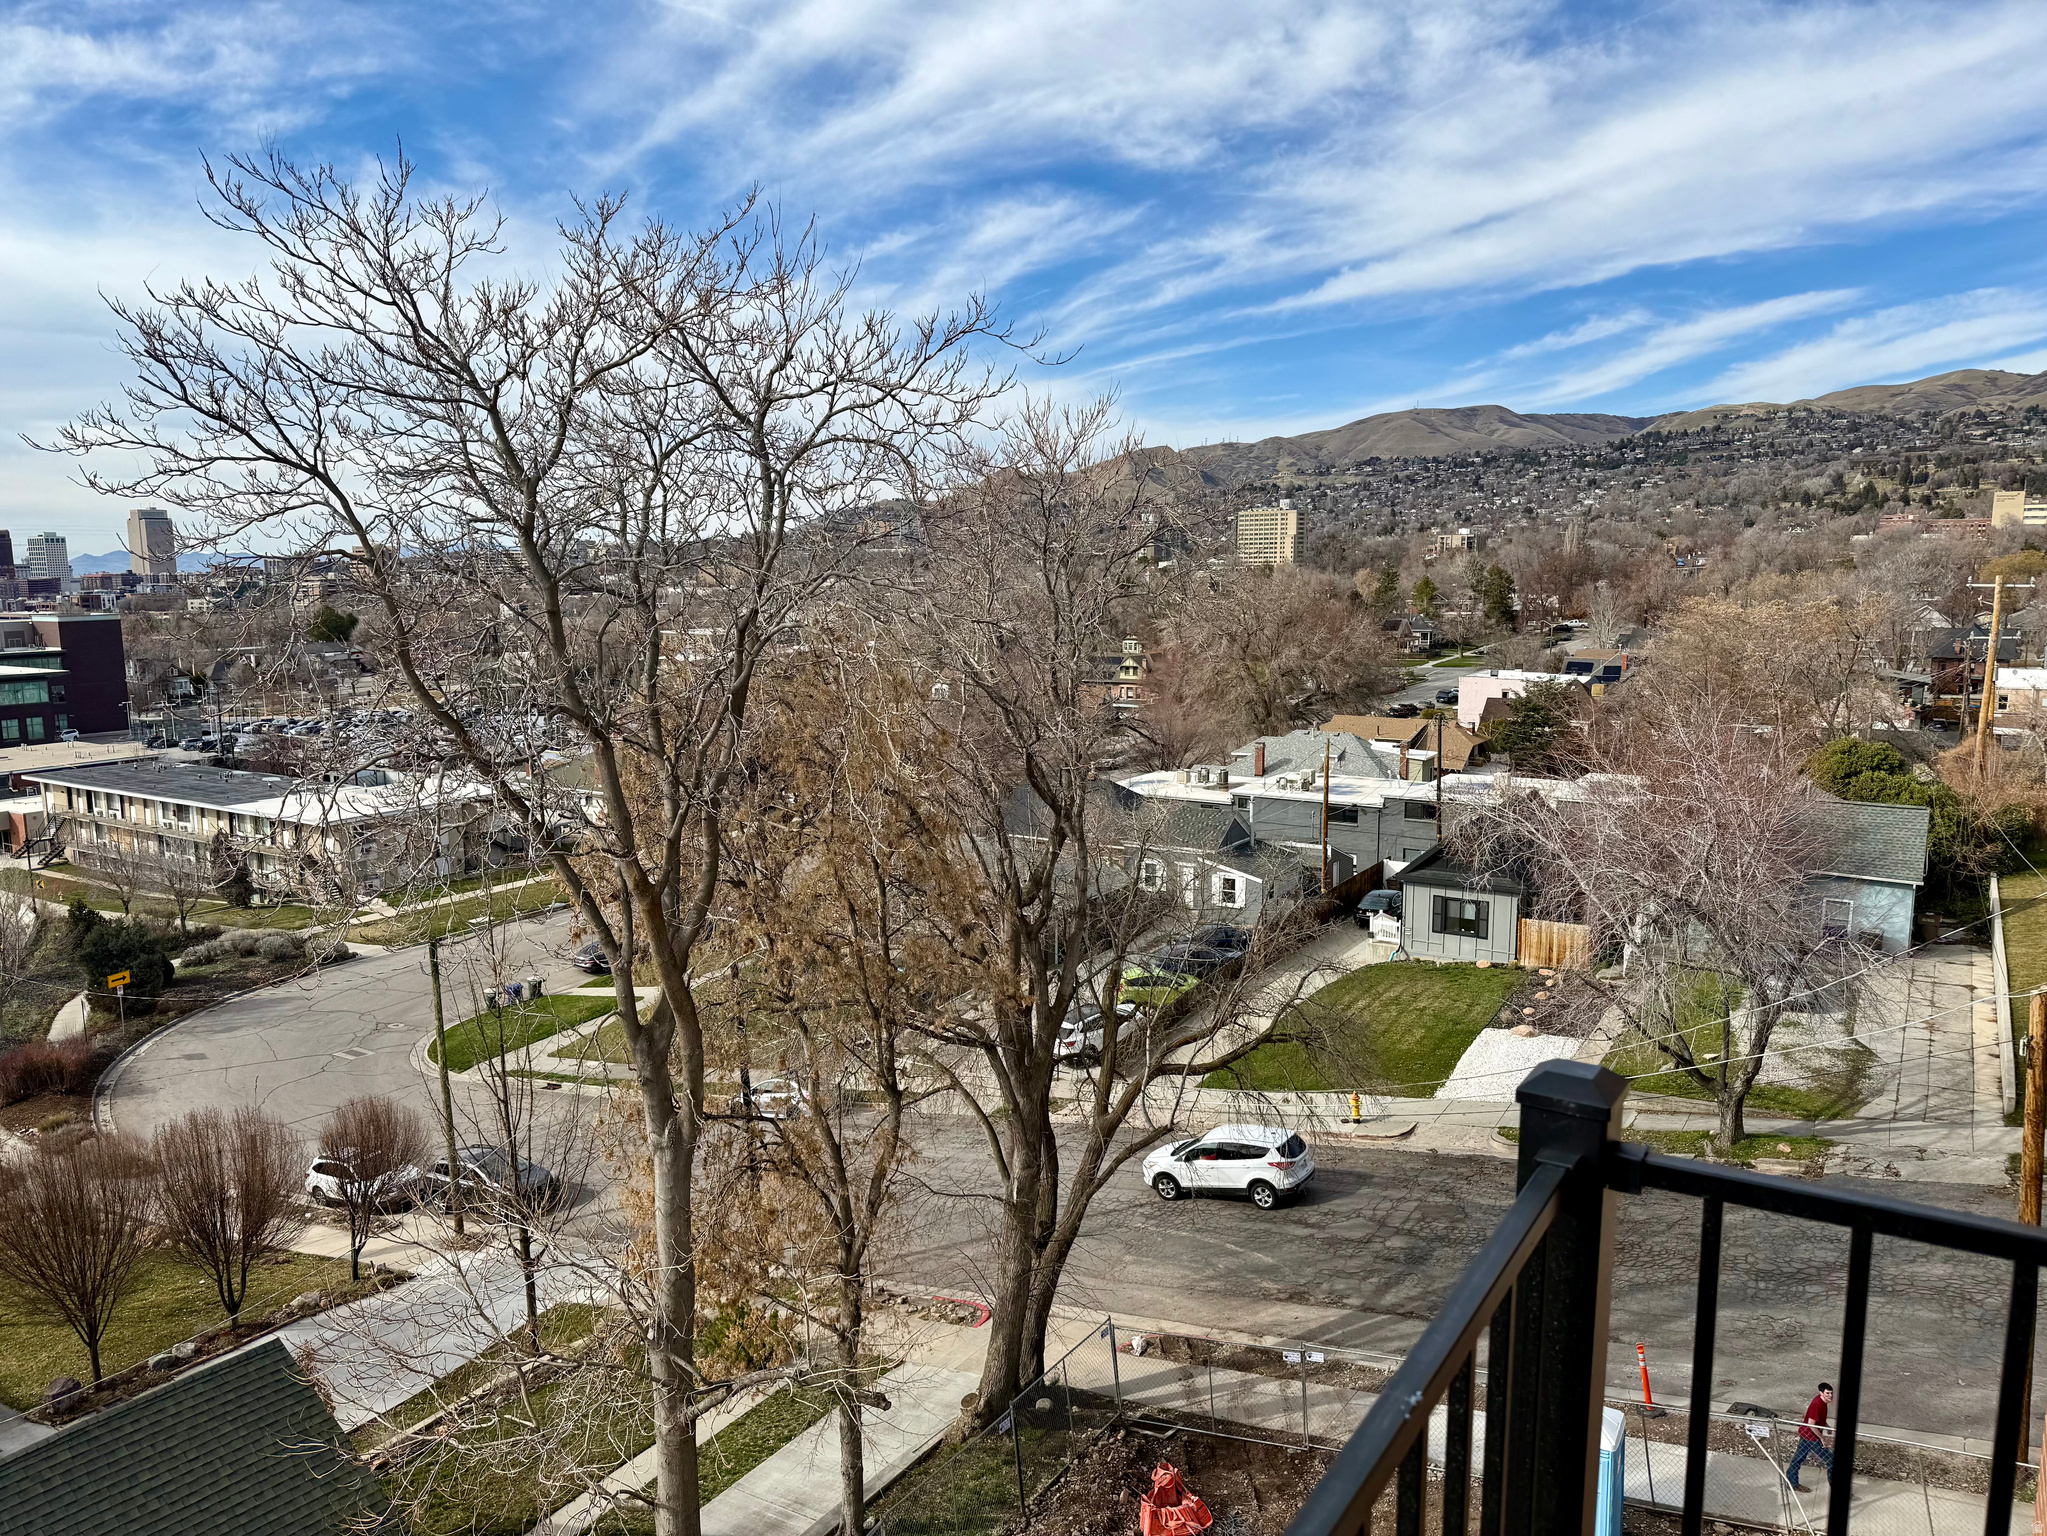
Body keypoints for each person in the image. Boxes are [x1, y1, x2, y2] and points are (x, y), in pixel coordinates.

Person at [1785, 1381, 1834, 1491]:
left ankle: (1792, 1483)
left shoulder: (1823, 1402)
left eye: (1831, 1393)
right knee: (1831, 1460)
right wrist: (1822, 1438)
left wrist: (1827, 1426)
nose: (1830, 1395)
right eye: (1827, 1393)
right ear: (1821, 1393)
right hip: (1811, 1438)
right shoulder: (1817, 1404)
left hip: (1806, 1435)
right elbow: (1811, 1425)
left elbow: (1818, 1419)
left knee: (1798, 1459)